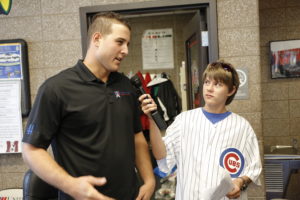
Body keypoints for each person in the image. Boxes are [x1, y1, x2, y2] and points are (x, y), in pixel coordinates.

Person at [22, 12, 155, 200]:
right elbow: (31, 150)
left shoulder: (126, 86)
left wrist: (149, 180)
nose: (125, 50)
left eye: (128, 44)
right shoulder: (56, 88)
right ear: (97, 39)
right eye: (119, 42)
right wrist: (72, 186)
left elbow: (137, 137)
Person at [140, 61, 262, 200]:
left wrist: (240, 182)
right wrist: (152, 121)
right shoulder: (184, 120)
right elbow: (162, 156)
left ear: (231, 90)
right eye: (207, 82)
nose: (209, 88)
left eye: (218, 84)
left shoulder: (242, 127)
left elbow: (253, 169)